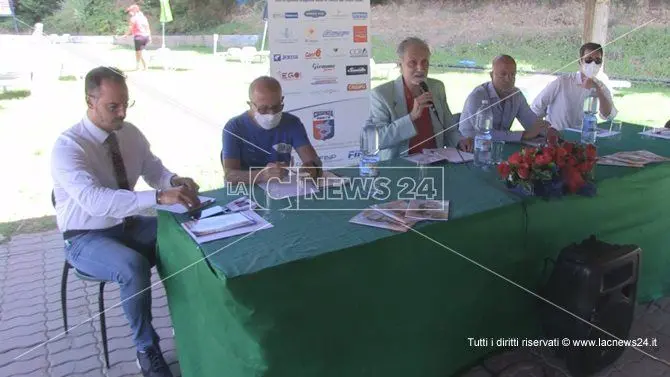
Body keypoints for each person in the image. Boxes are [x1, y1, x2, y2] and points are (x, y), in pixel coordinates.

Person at [51, 66, 200, 377]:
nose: (121, 113)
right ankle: (146, 348)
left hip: (128, 225)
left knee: (188, 233)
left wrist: (175, 181)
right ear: (90, 101)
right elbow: (95, 201)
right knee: (132, 266)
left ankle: (191, 324)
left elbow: (154, 170)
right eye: (112, 106)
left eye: (125, 104)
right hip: (85, 237)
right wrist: (160, 198)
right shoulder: (68, 147)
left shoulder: (129, 132)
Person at [369, 37, 461, 160]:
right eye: (413, 62)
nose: (420, 68)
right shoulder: (381, 95)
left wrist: (460, 142)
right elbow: (377, 141)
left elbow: (449, 129)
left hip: (436, 162)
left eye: (425, 62)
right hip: (401, 167)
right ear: (400, 64)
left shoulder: (436, 87)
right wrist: (411, 117)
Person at [221, 76, 322, 184]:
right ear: (250, 105)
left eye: (276, 107)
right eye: (263, 109)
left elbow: (314, 162)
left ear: (281, 100)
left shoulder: (292, 123)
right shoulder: (234, 127)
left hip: (281, 189)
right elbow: (230, 175)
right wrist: (262, 175)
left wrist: (312, 169)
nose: (271, 114)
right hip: (246, 191)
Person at [458, 55, 551, 152]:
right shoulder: (477, 96)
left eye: (512, 75)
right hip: (470, 150)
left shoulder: (517, 95)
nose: (508, 79)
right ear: (491, 75)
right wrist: (524, 135)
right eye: (503, 74)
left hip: (499, 148)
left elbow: (531, 122)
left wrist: (547, 130)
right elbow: (485, 133)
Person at [531, 42, 617, 132]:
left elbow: (609, 115)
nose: (593, 64)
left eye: (597, 60)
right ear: (580, 61)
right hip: (557, 135)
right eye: (588, 59)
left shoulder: (600, 86)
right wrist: (541, 131)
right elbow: (536, 107)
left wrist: (598, 90)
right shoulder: (562, 82)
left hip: (583, 137)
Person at [123, 4, 152, 71]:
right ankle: (145, 66)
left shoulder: (133, 18)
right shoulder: (144, 18)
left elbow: (130, 28)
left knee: (138, 52)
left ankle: (138, 66)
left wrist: (126, 35)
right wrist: (150, 37)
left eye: (130, 11)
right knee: (141, 51)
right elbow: (148, 27)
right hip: (146, 36)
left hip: (139, 37)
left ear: (134, 11)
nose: (129, 13)